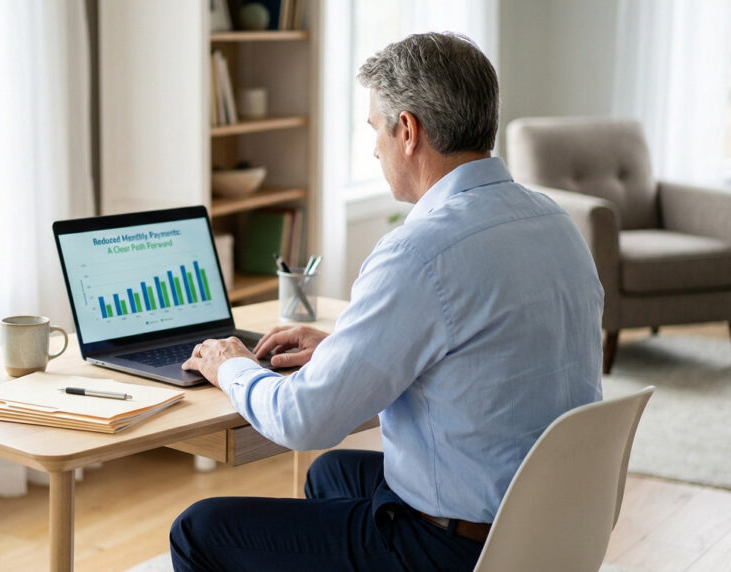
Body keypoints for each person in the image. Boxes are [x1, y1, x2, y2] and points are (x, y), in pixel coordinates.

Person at [170, 31, 604, 571]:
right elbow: (492, 356)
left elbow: (304, 420)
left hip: (460, 552)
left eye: (374, 126)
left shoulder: (419, 251)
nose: (373, 145)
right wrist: (348, 349)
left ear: (407, 131)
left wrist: (230, 366)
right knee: (330, 475)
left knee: (198, 529)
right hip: (548, 523)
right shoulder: (553, 222)